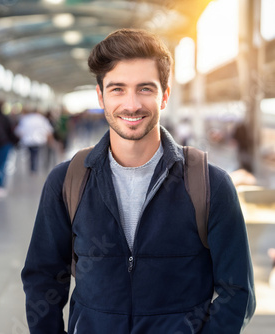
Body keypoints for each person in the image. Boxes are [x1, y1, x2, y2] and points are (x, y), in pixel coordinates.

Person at [21, 28, 255, 333]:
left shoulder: (210, 184)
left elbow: (238, 291)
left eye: (145, 88)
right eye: (117, 89)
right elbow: (43, 278)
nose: (131, 104)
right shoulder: (67, 181)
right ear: (101, 96)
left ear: (165, 96)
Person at [14, 108, 54, 174]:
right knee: (35, 154)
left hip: (28, 141)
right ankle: (34, 167)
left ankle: (32, 167)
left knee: (31, 154)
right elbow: (49, 130)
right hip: (39, 141)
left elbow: (19, 131)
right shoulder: (41, 119)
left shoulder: (26, 119)